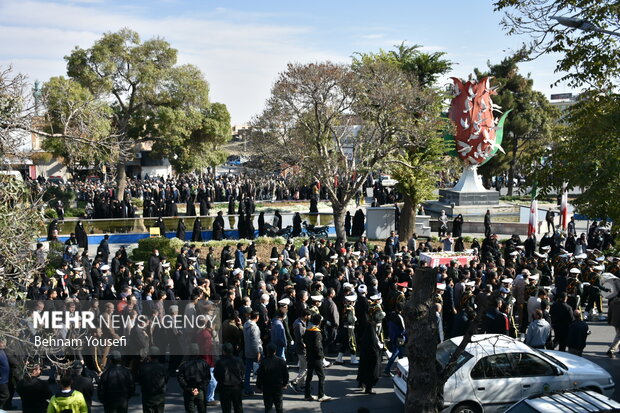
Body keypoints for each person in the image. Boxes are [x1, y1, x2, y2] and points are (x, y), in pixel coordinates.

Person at [303, 313, 332, 402]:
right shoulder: (317, 333)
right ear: (319, 322)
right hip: (316, 357)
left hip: (309, 355)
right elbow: (318, 346)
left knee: (309, 376)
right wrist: (321, 356)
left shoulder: (308, 330)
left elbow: (304, 340)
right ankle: (321, 395)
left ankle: (307, 395)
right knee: (321, 376)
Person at [177, 343, 211, 413]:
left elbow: (180, 378)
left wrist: (188, 388)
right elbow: (207, 377)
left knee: (190, 410)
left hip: (189, 391)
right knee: (202, 410)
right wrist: (200, 387)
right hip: (200, 390)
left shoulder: (184, 365)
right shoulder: (204, 363)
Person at [357, 308, 384, 394]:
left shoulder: (369, 324)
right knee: (372, 370)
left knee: (364, 368)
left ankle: (362, 383)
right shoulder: (372, 325)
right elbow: (374, 340)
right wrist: (379, 346)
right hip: (371, 352)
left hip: (365, 351)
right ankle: (369, 388)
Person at [256, 343, 289, 413]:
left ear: (267, 351)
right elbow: (285, 374)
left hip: (267, 387)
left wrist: (258, 386)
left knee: (268, 407)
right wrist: (285, 384)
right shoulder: (281, 361)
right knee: (279, 406)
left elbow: (260, 375)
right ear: (275, 351)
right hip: (278, 386)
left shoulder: (264, 362)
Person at [214, 343, 244, 413]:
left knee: (226, 409)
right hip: (236, 386)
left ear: (223, 351)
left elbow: (216, 375)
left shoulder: (219, 362)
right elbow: (242, 372)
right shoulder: (239, 360)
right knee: (238, 407)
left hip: (224, 387)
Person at [138, 347, 168, 413]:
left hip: (147, 395)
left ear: (149, 356)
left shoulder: (143, 368)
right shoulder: (163, 368)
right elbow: (166, 379)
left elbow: (140, 381)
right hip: (159, 395)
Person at [243, 311, 263, 396]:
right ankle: (258, 387)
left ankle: (247, 387)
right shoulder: (254, 327)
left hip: (247, 349)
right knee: (259, 369)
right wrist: (258, 352)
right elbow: (255, 341)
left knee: (247, 370)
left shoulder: (246, 325)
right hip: (254, 351)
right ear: (257, 317)